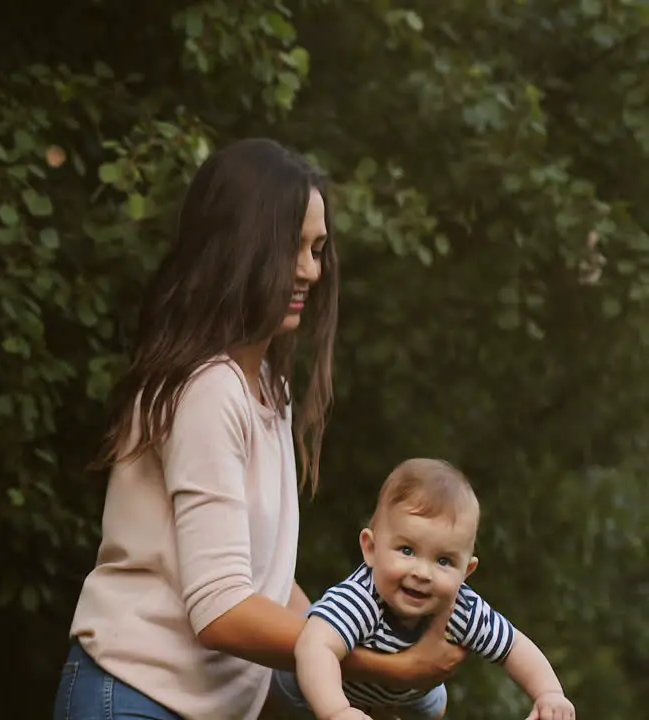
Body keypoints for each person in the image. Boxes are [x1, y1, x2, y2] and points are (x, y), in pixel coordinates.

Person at [51, 138, 468, 720]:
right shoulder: (208, 388)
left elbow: (264, 585)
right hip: (134, 696)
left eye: (318, 248)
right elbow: (221, 611)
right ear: (238, 250)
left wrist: (351, 636)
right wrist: (377, 665)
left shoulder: (269, 387)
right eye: (291, 248)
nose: (310, 270)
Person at [274, 459, 575, 720]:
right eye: (406, 550)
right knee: (295, 674)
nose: (422, 573)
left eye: (443, 560)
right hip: (325, 680)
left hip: (409, 692)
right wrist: (337, 710)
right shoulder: (361, 598)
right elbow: (316, 647)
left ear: (466, 572)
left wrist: (549, 693)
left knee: (434, 705)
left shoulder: (460, 606)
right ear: (371, 548)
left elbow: (514, 647)